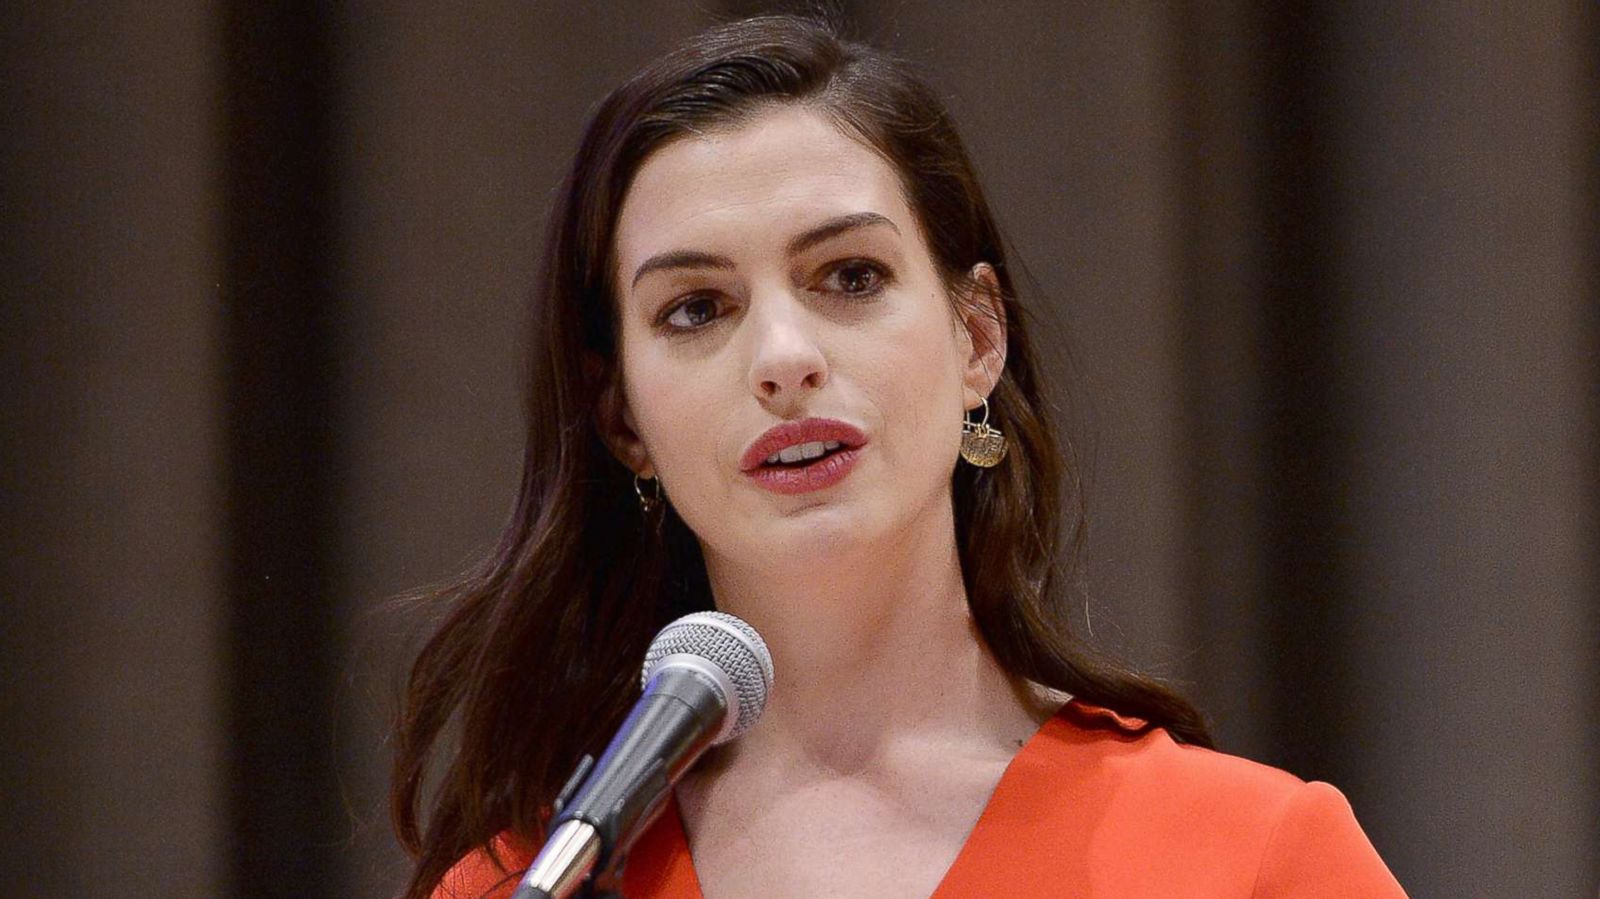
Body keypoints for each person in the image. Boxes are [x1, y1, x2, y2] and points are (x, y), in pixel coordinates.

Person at [392, 14, 1406, 899]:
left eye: (848, 275)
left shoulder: (1248, 856)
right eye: (696, 308)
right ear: (622, 420)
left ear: (975, 339)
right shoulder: (529, 878)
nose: (784, 359)